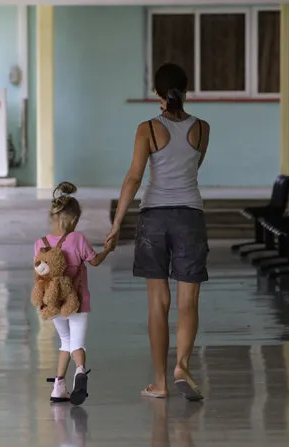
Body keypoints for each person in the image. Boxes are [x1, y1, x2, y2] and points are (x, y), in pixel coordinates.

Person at [106, 63, 211, 401]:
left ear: (157, 94)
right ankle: (182, 365)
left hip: (154, 218)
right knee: (188, 301)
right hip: (190, 216)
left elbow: (134, 177)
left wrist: (117, 223)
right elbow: (193, 166)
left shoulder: (147, 129)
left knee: (157, 303)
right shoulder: (202, 129)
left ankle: (161, 383)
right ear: (186, 90)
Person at [34, 181, 114, 406]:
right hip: (77, 301)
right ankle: (80, 372)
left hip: (54, 303)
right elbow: (95, 261)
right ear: (75, 220)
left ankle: (59, 387)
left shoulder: (39, 244)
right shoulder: (78, 239)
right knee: (77, 344)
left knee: (65, 342)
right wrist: (107, 249)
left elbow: (39, 276)